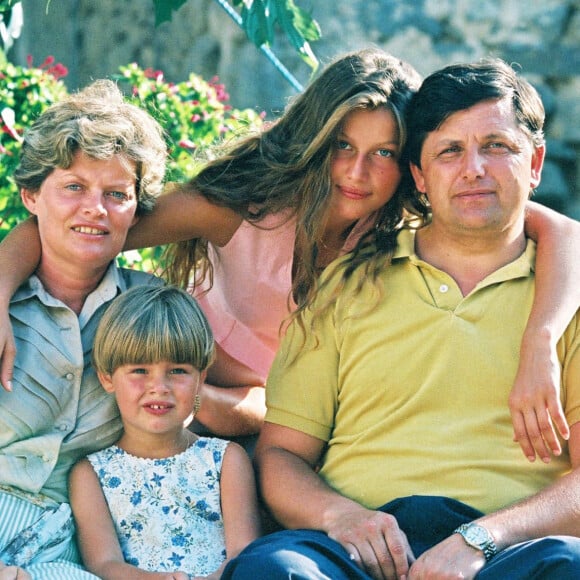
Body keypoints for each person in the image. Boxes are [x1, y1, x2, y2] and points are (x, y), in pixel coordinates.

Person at [1, 50, 579, 461]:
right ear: (315, 140)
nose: (358, 173)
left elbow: (566, 235)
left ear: (410, 168)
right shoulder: (245, 206)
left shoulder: (403, 222)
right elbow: (83, 226)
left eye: (384, 153)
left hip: (284, 425)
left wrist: (540, 346)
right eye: (342, 146)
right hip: (171, 403)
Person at [221, 58, 580, 579]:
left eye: (496, 146)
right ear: (419, 175)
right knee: (273, 570)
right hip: (355, 548)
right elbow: (281, 457)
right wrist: (340, 516)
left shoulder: (565, 299)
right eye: (449, 151)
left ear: (536, 162)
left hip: (508, 552)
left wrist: (480, 540)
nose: (473, 169)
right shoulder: (347, 283)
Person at [0, 80, 167, 578]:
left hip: (64, 544)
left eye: (117, 194)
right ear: (31, 196)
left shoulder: (150, 310)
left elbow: (243, 395)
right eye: (74, 187)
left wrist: (182, 394)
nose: (96, 207)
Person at [69, 285, 261, 579]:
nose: (159, 387)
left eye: (178, 371)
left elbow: (243, 554)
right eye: (140, 371)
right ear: (107, 378)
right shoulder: (91, 473)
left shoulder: (225, 461)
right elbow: (104, 564)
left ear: (201, 378)